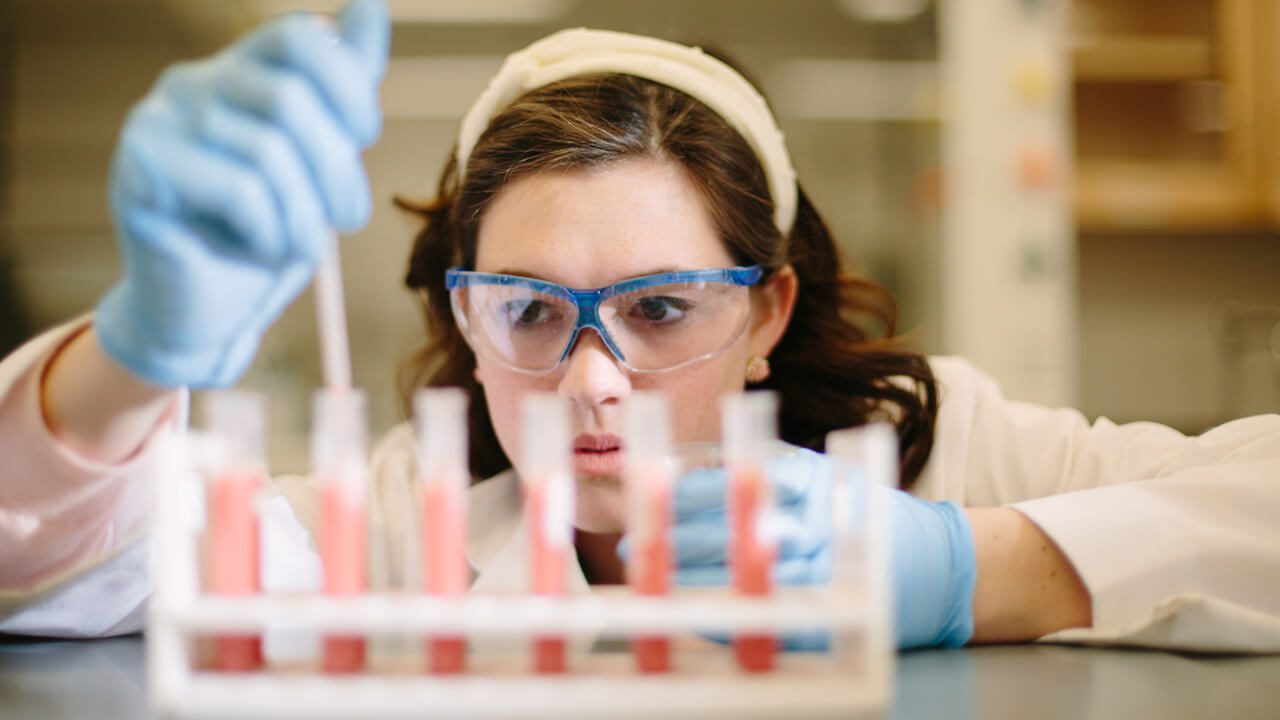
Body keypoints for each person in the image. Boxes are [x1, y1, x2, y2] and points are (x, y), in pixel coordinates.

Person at [1, 0, 1278, 653]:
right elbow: (55, 572)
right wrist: (132, 358)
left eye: (662, 309)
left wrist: (968, 569)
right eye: (531, 313)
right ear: (467, 313)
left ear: (766, 309)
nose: (593, 382)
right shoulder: (409, 516)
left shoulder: (946, 454)